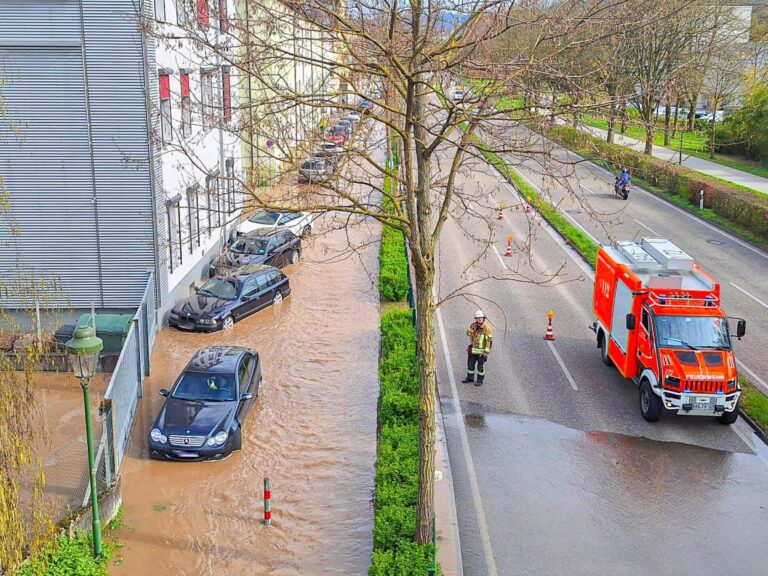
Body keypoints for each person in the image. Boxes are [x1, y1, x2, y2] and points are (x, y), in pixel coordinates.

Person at [462, 310, 493, 386]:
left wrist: (486, 352)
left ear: (483, 318)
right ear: (475, 319)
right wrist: (469, 331)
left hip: (481, 353)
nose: (479, 319)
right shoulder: (473, 325)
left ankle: (480, 380)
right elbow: (468, 334)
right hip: (473, 351)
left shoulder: (487, 329)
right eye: (478, 318)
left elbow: (489, 341)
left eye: (481, 318)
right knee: (470, 365)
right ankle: (470, 378)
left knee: (480, 368)